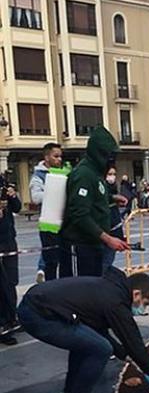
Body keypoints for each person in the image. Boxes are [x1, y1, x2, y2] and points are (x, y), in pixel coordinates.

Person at [17, 268, 149, 393]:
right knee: (100, 349)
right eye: (145, 303)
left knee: (88, 343)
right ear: (136, 294)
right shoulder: (115, 302)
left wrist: (123, 355)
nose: (143, 309)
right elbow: (133, 340)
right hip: (39, 315)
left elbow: (98, 330)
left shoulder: (110, 289)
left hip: (38, 306)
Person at [62, 127, 129, 278]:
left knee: (93, 290)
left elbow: (94, 198)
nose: (112, 160)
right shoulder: (84, 174)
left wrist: (111, 198)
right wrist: (108, 238)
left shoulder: (97, 173)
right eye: (109, 155)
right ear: (99, 153)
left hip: (94, 245)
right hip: (80, 246)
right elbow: (80, 214)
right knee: (79, 292)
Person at [30, 142, 72, 283]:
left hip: (66, 224)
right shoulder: (38, 175)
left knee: (67, 262)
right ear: (46, 157)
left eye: (60, 156)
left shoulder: (66, 172)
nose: (59, 159)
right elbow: (35, 197)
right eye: (56, 156)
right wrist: (54, 192)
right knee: (51, 263)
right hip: (49, 226)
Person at [0, 172, 20, 345]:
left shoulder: (3, 182)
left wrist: (13, 196)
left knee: (11, 281)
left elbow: (18, 208)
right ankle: (3, 325)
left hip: (8, 240)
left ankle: (11, 318)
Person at [102, 165, 129, 270]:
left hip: (114, 227)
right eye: (109, 174)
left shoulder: (113, 187)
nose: (112, 177)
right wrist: (114, 198)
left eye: (114, 174)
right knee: (105, 262)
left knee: (109, 259)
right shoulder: (102, 187)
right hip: (106, 229)